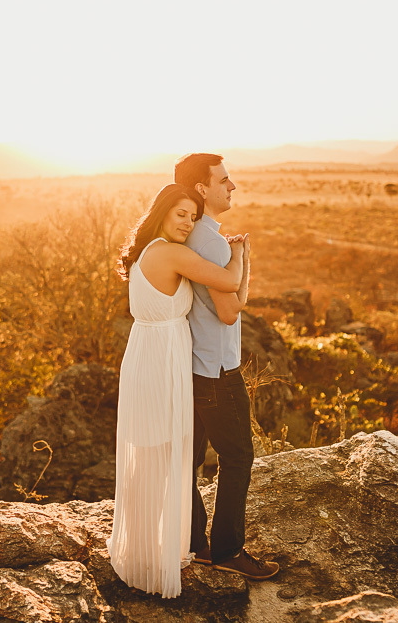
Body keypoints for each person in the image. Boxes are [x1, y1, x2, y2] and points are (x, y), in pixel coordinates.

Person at [107, 183, 247, 598]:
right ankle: (162, 552)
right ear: (162, 214)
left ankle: (158, 546)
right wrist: (239, 252)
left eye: (192, 215)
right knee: (167, 453)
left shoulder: (150, 250)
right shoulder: (170, 252)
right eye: (181, 214)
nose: (188, 222)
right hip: (161, 359)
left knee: (157, 454)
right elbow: (226, 281)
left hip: (149, 354)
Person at [174, 153, 280, 580]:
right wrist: (241, 257)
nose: (232, 186)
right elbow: (231, 312)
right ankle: (227, 551)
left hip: (194, 367)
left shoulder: (194, 235)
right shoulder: (213, 242)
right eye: (225, 180)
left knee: (190, 461)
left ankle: (197, 543)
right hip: (218, 370)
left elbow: (237, 298)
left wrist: (242, 258)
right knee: (237, 457)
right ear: (203, 188)